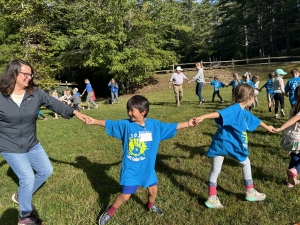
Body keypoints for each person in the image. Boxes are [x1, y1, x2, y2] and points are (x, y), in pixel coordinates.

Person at [0, 59, 88, 225]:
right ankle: (25, 217)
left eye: (31, 74)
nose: (29, 77)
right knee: (27, 177)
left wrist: (74, 112)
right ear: (13, 73)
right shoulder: (1, 96)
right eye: (26, 74)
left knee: (45, 170)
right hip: (9, 145)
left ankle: (20, 196)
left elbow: (54, 104)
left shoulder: (35, 93)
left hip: (31, 143)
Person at [85, 95, 195, 224]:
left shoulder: (154, 125)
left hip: (147, 168)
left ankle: (150, 205)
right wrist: (94, 121)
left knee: (153, 191)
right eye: (128, 110)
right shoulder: (126, 125)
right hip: (131, 168)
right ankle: (110, 211)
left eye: (132, 110)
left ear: (143, 112)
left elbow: (172, 127)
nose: (129, 113)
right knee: (125, 196)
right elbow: (109, 123)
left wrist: (188, 123)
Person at [193, 83, 275, 209]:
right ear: (251, 97)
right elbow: (218, 113)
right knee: (246, 163)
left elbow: (255, 119)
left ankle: (212, 197)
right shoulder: (235, 109)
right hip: (231, 145)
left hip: (220, 144)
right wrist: (202, 117)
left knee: (216, 170)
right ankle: (250, 191)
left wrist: (267, 127)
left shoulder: (242, 111)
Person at [274, 86, 300, 188]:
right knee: (297, 160)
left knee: (294, 158)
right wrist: (280, 128)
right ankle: (295, 170)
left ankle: (290, 181)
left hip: (290, 137)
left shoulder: (295, 105)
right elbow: (294, 119)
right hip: (298, 137)